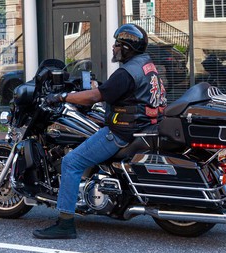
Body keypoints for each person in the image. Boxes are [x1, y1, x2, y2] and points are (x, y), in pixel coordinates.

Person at [32, 23, 166, 239]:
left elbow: (96, 97)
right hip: (144, 126)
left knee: (71, 162)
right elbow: (116, 91)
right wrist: (99, 86)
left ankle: (65, 223)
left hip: (123, 132)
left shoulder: (126, 72)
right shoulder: (145, 64)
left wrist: (62, 97)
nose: (113, 48)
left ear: (127, 48)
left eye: (117, 45)